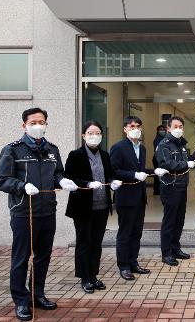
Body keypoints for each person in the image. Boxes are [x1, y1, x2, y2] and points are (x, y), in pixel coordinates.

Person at [0, 108, 78, 321]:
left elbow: (58, 172)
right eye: (33, 122)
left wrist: (62, 180)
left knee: (43, 257)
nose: (38, 126)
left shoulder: (52, 149)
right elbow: (2, 180)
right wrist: (22, 186)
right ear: (24, 125)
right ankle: (21, 301)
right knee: (21, 258)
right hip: (24, 212)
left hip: (47, 210)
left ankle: (37, 294)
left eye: (42, 122)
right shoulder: (13, 150)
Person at [64, 121, 123, 293]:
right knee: (84, 242)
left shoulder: (104, 155)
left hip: (102, 206)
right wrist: (88, 183)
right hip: (83, 207)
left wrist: (113, 182)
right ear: (84, 136)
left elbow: (110, 173)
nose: (94, 136)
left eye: (97, 133)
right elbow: (69, 177)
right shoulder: (76, 155)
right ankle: (84, 277)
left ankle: (94, 275)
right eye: (90, 133)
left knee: (96, 243)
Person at [154, 116, 195, 266]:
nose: (179, 129)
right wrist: (185, 163)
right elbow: (167, 163)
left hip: (181, 186)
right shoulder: (164, 145)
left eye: (181, 126)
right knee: (170, 221)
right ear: (168, 128)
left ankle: (176, 248)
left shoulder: (181, 144)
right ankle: (166, 253)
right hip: (170, 187)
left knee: (179, 220)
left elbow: (186, 160)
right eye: (175, 126)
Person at [110, 116, 153, 281]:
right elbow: (114, 170)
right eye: (132, 126)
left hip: (140, 197)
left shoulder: (142, 148)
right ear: (125, 129)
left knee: (137, 232)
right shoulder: (118, 147)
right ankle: (124, 266)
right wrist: (133, 175)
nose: (136, 129)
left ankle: (133, 261)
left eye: (138, 126)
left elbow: (141, 169)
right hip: (125, 197)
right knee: (125, 232)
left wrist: (152, 171)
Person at [152, 125, 166, 195]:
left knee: (159, 175)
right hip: (157, 159)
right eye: (161, 129)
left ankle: (158, 190)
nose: (162, 131)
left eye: (163, 129)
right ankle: (157, 190)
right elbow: (158, 151)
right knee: (158, 174)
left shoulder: (163, 138)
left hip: (160, 158)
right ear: (157, 131)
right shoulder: (158, 139)